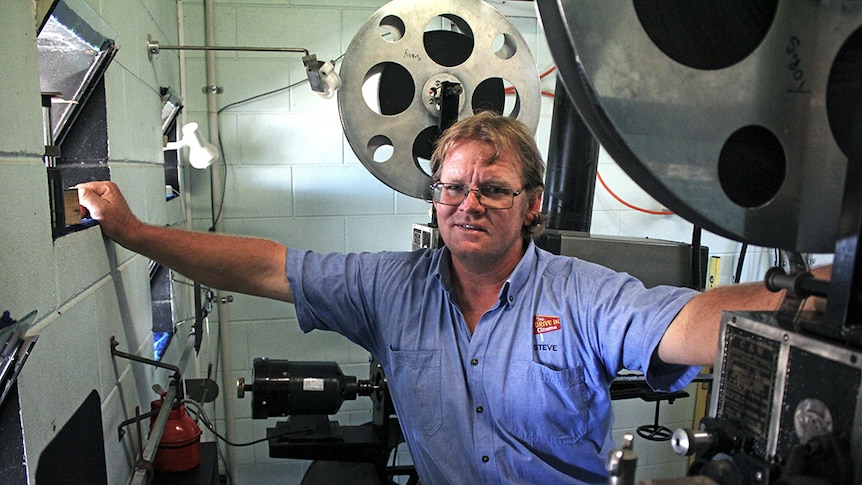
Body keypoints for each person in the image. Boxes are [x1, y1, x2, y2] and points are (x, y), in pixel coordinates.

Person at [78, 111, 816, 484]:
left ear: (531, 205)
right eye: (452, 187)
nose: (469, 202)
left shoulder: (582, 293)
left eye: (493, 188)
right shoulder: (388, 288)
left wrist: (810, 300)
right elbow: (268, 267)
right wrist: (138, 232)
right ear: (434, 199)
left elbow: (686, 323)